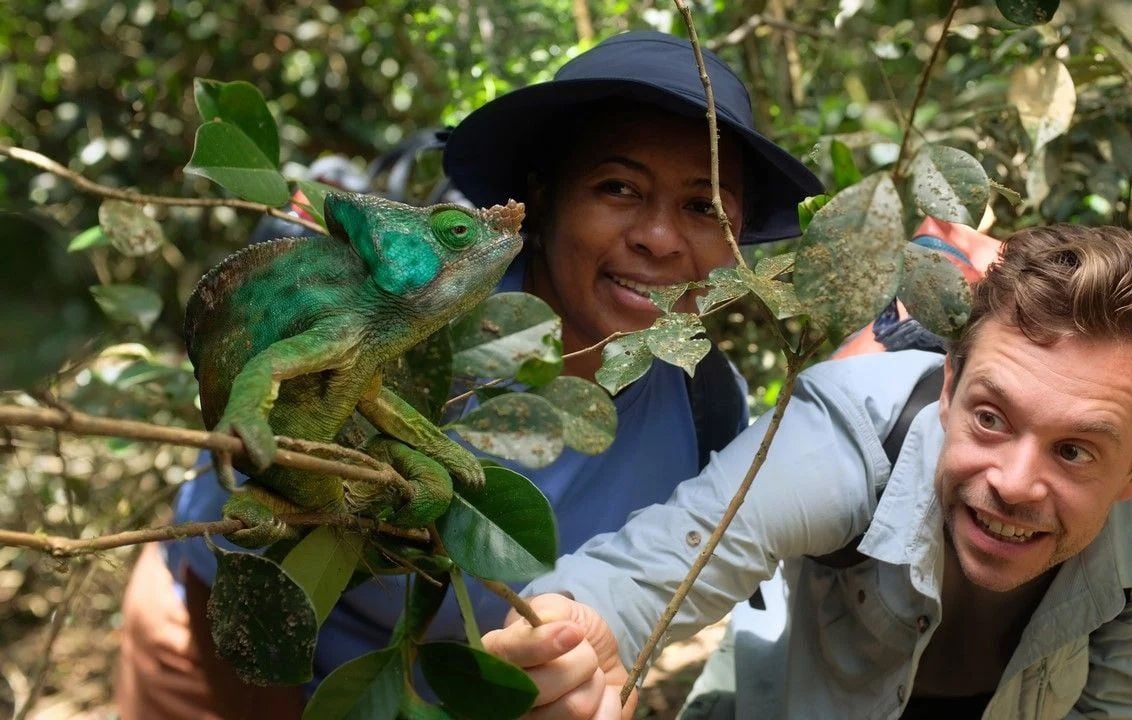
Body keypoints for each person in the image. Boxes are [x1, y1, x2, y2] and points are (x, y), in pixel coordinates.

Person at [113, 30, 823, 718]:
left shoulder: (707, 405)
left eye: (703, 208)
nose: (659, 238)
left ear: (735, 246)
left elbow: (626, 622)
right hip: (223, 648)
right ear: (544, 199)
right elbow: (229, 563)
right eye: (618, 188)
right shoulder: (419, 327)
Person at [482, 224, 1132, 719]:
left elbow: (1131, 704)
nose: (1013, 481)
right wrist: (579, 632)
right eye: (990, 417)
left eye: (1075, 451)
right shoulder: (845, 434)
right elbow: (663, 562)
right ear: (947, 388)